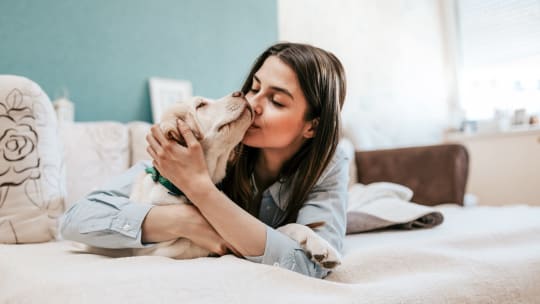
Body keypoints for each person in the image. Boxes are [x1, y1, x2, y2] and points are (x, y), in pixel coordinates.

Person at [59, 42, 349, 279]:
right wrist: (184, 220)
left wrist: (200, 189)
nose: (253, 103)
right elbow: (75, 220)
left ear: (312, 125)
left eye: (276, 101)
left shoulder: (329, 164)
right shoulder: (213, 143)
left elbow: (312, 266)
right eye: (255, 87)